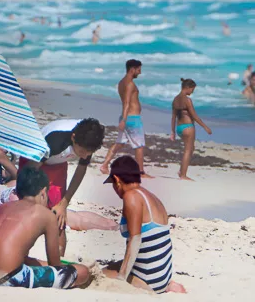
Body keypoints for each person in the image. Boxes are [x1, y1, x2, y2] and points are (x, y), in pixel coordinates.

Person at [0, 164, 91, 289]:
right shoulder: (45, 214)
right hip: (9, 277)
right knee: (82, 272)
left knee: (33, 261)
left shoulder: (3, 208)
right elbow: (55, 265)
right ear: (43, 193)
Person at [18, 117, 105, 255]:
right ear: (73, 137)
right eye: (83, 152)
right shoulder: (55, 139)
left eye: (89, 153)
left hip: (57, 164)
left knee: (58, 217)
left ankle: (59, 261)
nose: (85, 156)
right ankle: (20, 252)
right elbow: (29, 170)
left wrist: (64, 203)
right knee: (30, 208)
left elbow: (80, 170)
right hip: (34, 162)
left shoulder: (88, 140)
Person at [102, 156, 185, 294]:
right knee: (113, 265)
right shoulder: (151, 197)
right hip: (163, 276)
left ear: (117, 180)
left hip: (148, 279)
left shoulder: (132, 197)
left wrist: (121, 280)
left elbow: (135, 240)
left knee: (98, 274)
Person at [100, 59, 151, 177]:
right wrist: (123, 119)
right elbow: (127, 102)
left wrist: (123, 119)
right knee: (139, 146)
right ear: (132, 69)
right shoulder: (130, 84)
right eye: (138, 70)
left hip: (126, 117)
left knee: (119, 143)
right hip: (132, 118)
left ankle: (104, 165)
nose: (140, 73)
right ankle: (140, 172)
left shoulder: (121, 82)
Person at [170, 78, 212, 181]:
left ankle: (181, 171)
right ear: (187, 87)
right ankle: (183, 175)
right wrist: (205, 127)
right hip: (188, 127)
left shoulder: (175, 99)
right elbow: (195, 116)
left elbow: (173, 116)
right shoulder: (187, 100)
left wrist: (173, 132)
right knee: (188, 151)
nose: (192, 92)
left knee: (190, 149)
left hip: (179, 128)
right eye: (192, 89)